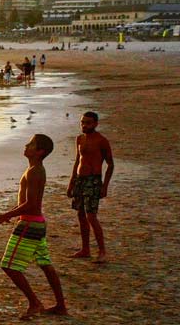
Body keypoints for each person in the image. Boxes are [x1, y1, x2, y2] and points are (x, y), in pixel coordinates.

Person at [0, 134, 67, 320]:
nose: (26, 145)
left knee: (9, 266)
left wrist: (5, 215)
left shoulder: (35, 171)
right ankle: (61, 306)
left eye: (31, 144)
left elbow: (31, 204)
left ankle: (34, 303)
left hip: (30, 224)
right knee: (45, 265)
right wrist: (13, 214)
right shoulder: (34, 169)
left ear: (40, 152)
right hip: (36, 223)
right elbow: (28, 202)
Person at [67, 111, 115, 263]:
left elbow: (110, 164)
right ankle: (85, 249)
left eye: (88, 123)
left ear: (95, 124)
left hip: (93, 180)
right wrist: (71, 182)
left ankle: (102, 251)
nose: (84, 125)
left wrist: (105, 186)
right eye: (82, 122)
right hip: (80, 180)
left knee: (91, 216)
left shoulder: (102, 141)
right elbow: (77, 161)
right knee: (80, 215)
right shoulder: (80, 139)